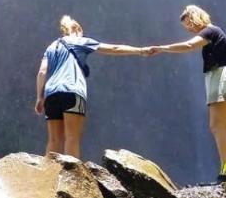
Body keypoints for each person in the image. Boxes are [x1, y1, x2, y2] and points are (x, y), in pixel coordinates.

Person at [34, 15, 151, 158]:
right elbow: (113, 48)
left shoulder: (51, 47)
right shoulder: (81, 41)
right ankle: (71, 178)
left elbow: (42, 72)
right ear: (78, 29)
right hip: (73, 91)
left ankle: (48, 176)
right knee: (72, 137)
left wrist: (39, 97)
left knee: (54, 140)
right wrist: (140, 51)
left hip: (51, 94)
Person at [150, 4, 226, 179]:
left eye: (189, 23)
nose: (188, 28)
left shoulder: (210, 31)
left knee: (217, 126)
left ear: (196, 17)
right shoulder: (217, 33)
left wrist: (162, 48)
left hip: (221, 79)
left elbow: (188, 46)